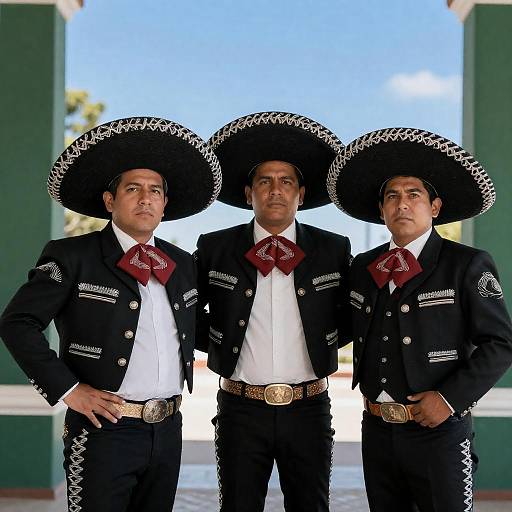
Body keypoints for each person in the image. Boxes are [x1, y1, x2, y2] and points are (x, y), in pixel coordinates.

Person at [0, 116, 221, 512]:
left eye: (155, 191)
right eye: (133, 188)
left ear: (165, 205)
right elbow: (17, 323)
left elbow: (197, 329)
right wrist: (69, 390)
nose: (145, 198)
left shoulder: (184, 263)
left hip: (168, 429)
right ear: (109, 200)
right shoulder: (72, 256)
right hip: (104, 431)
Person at [327, 126, 512, 512]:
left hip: (439, 434)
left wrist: (449, 399)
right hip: (376, 430)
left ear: (435, 207)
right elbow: (340, 327)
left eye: (414, 195)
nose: (402, 204)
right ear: (381, 210)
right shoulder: (363, 267)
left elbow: (500, 344)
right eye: (392, 197)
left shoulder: (466, 264)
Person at [195, 111, 352, 512]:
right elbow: (184, 310)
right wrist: (218, 340)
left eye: (287, 182)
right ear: (249, 193)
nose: (275, 190)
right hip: (239, 408)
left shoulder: (334, 248)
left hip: (310, 407)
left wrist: (326, 340)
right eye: (264, 181)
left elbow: (353, 315)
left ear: (301, 193)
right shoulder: (215, 247)